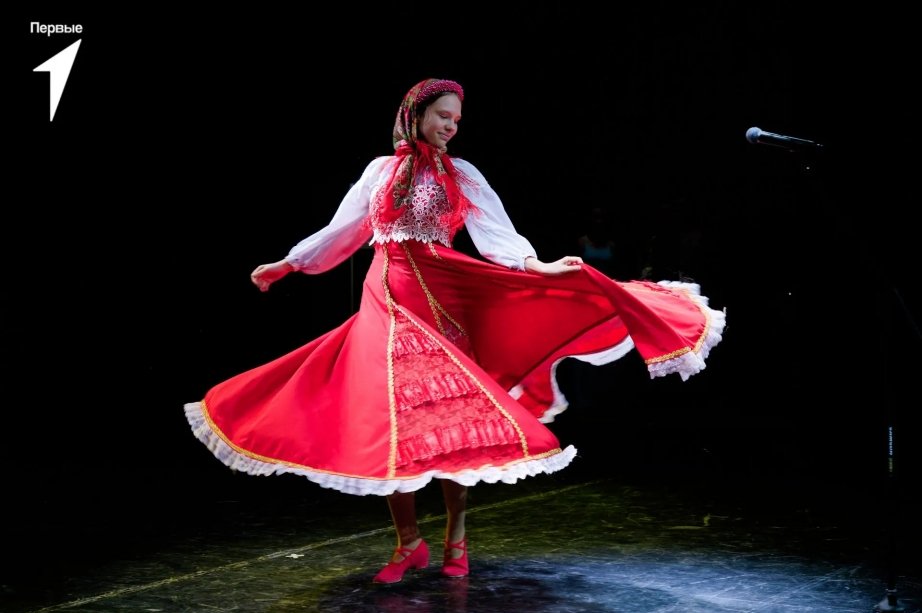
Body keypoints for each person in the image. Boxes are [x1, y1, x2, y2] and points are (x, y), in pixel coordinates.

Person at [184, 78, 726, 585]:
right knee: (392, 421)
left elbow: (496, 233)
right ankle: (407, 543)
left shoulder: (460, 172)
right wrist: (290, 263)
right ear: (416, 114)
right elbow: (343, 229)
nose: (451, 126)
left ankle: (456, 538)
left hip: (441, 299)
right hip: (384, 299)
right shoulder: (379, 171)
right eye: (443, 116)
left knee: (453, 421)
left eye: (457, 120)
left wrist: (537, 266)